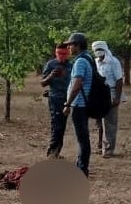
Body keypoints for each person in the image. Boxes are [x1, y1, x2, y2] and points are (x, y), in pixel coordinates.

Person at [62, 33, 93, 177]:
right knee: (83, 137)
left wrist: (68, 103)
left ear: (78, 45)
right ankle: (81, 166)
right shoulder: (88, 58)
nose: (68, 47)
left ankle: (82, 168)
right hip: (83, 104)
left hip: (79, 104)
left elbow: (77, 84)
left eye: (71, 44)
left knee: (82, 139)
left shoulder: (80, 61)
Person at [92, 41, 125, 158]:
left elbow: (119, 80)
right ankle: (100, 146)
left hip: (111, 93)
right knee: (99, 123)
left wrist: (117, 97)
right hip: (99, 95)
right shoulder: (95, 62)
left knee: (110, 123)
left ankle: (109, 149)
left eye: (100, 49)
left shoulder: (113, 62)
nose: (98, 52)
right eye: (95, 50)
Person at [40, 43, 72, 158]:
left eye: (64, 54)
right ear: (55, 53)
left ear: (68, 53)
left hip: (68, 99)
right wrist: (52, 76)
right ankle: (52, 153)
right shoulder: (51, 64)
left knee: (62, 126)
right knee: (56, 126)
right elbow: (43, 83)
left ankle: (57, 152)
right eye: (59, 53)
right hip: (55, 99)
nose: (61, 56)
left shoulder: (71, 65)